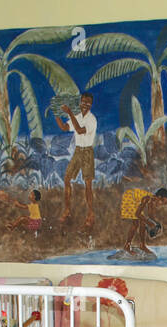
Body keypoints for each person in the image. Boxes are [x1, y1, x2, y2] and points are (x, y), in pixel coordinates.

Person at [55, 93, 97, 228]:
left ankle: (90, 213)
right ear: (80, 103)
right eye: (83, 102)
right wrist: (56, 114)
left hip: (87, 152)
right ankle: (67, 209)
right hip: (78, 150)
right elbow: (64, 127)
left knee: (88, 184)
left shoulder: (92, 120)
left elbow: (79, 130)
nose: (85, 105)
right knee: (67, 178)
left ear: (91, 105)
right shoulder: (78, 117)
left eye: (88, 103)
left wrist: (70, 113)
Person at [120, 187, 167, 257]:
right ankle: (127, 245)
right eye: (162, 202)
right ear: (159, 197)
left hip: (136, 200)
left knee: (143, 222)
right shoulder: (147, 198)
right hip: (130, 197)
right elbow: (137, 214)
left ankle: (142, 245)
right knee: (136, 223)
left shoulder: (152, 201)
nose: (161, 205)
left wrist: (157, 225)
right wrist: (150, 224)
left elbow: (150, 215)